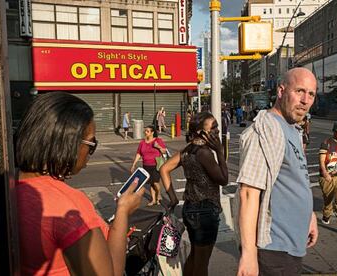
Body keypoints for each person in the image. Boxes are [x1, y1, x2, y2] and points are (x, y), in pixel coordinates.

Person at [14, 92, 144, 276]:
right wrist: (123, 212)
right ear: (68, 142)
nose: (91, 153)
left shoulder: (6, 185)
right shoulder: (68, 205)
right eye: (91, 144)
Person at [236, 68, 318, 276]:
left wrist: (309, 216)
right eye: (300, 91)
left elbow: (294, 179)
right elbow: (248, 193)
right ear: (281, 91)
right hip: (273, 250)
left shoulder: (292, 128)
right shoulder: (265, 130)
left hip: (291, 245)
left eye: (311, 94)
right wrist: (249, 255)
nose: (305, 100)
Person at [160, 112, 228, 276]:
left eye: (217, 126)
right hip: (204, 211)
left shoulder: (188, 149)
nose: (217, 131)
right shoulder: (204, 153)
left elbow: (164, 169)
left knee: (195, 256)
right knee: (202, 263)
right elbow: (224, 179)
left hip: (190, 209)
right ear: (200, 132)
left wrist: (173, 198)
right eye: (213, 128)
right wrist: (219, 151)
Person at [131, 125, 166, 206]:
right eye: (145, 131)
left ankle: (159, 195)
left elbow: (164, 151)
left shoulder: (158, 140)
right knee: (151, 183)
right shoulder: (142, 143)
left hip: (156, 165)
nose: (145, 132)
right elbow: (139, 153)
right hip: (146, 165)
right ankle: (153, 200)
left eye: (147, 131)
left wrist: (158, 146)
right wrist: (134, 164)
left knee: (155, 182)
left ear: (152, 132)